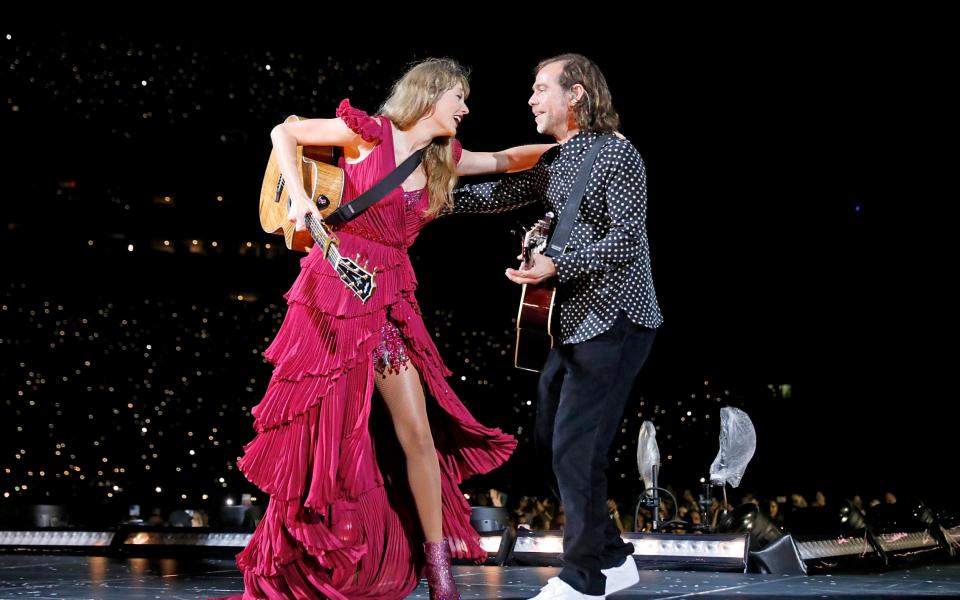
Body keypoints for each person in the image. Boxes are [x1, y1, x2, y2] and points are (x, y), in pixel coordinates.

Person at [231, 58, 552, 600]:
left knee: (418, 433)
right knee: (321, 434)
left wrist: (579, 149)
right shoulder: (369, 132)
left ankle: (439, 568)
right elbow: (283, 131)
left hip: (388, 301)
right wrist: (305, 200)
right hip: (330, 295)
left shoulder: (444, 158)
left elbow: (506, 159)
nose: (466, 107)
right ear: (429, 96)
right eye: (458, 96)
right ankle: (303, 555)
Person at [453, 53, 663, 600]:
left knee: (575, 444)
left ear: (575, 95)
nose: (531, 98)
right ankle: (612, 556)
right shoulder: (556, 160)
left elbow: (627, 238)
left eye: (540, 87)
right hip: (570, 328)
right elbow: (495, 195)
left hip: (616, 320)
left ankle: (582, 575)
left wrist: (557, 265)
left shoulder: (618, 155)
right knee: (553, 442)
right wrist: (422, 196)